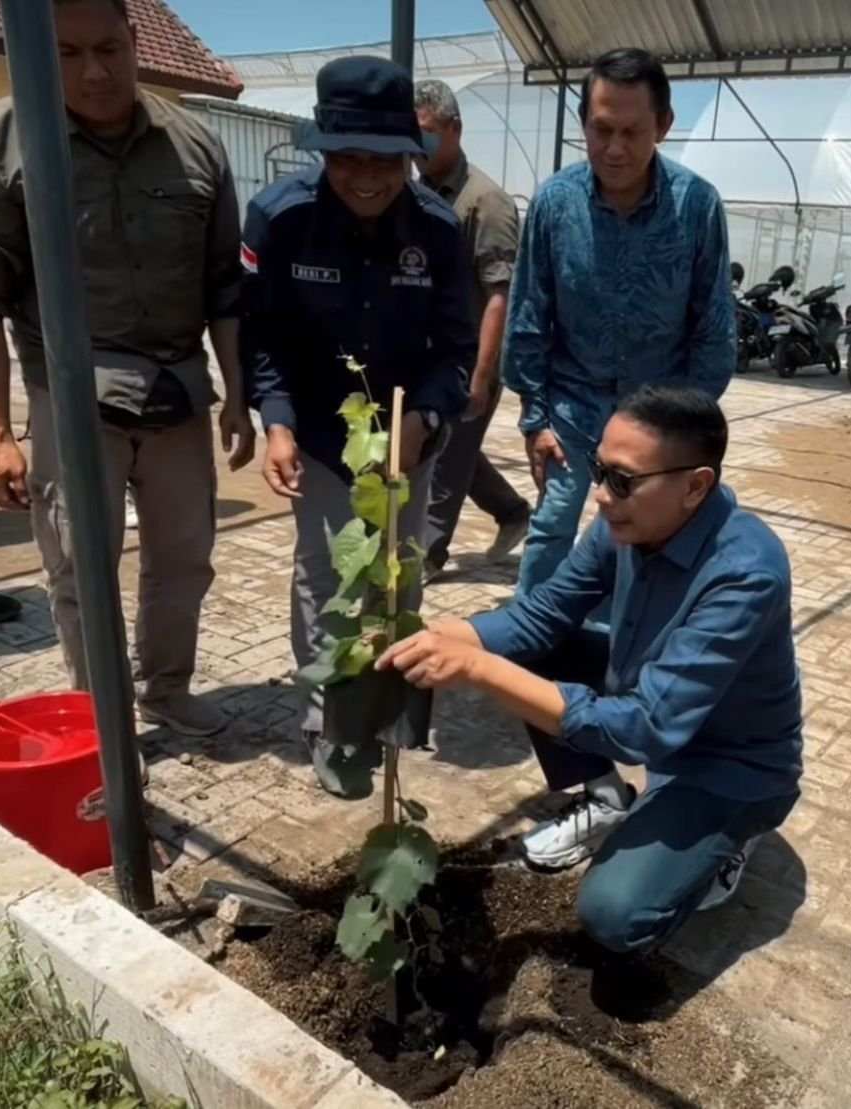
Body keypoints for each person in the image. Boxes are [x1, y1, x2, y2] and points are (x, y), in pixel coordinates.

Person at [377, 386, 802, 952]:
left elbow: (645, 728)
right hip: (655, 703)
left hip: (730, 764)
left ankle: (723, 843)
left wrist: (479, 669)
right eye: (599, 471)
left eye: (622, 480)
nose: (600, 496)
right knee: (535, 650)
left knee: (614, 915)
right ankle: (609, 801)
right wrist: (432, 635)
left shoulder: (745, 572)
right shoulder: (625, 521)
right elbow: (543, 614)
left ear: (695, 485)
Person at [0, 0, 254, 736]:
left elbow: (223, 286)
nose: (94, 71)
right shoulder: (11, 140)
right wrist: (0, 433)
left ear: (135, 40)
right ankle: (99, 719)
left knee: (183, 559)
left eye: (108, 47)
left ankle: (165, 688)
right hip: (70, 399)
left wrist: (236, 393)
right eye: (68, 54)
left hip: (176, 387)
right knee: (80, 573)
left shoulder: (196, 145)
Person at [241, 57, 475, 797]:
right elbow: (264, 338)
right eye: (346, 159)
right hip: (318, 434)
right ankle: (332, 725)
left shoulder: (438, 229)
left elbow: (457, 348)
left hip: (409, 438)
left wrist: (428, 418)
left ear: (412, 156)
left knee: (397, 576)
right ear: (321, 152)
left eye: (384, 161)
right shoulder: (280, 218)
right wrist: (276, 423)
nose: (366, 178)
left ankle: (389, 708)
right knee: (327, 576)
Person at [503, 48, 735, 596]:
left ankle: (623, 653)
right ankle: (528, 646)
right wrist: (535, 419)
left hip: (659, 414)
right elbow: (530, 315)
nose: (614, 148)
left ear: (664, 125)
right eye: (600, 129)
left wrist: (687, 430)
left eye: (632, 132)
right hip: (572, 408)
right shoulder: (555, 205)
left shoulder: (697, 207)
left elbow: (713, 327)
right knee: (552, 529)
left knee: (643, 536)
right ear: (584, 122)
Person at [413, 79, 531, 578]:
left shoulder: (487, 203)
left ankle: (427, 554)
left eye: (429, 133)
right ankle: (511, 511)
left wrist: (482, 375)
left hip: (472, 358)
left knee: (446, 456)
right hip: (430, 354)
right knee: (448, 446)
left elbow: (499, 296)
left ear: (456, 129)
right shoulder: (417, 194)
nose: (420, 146)